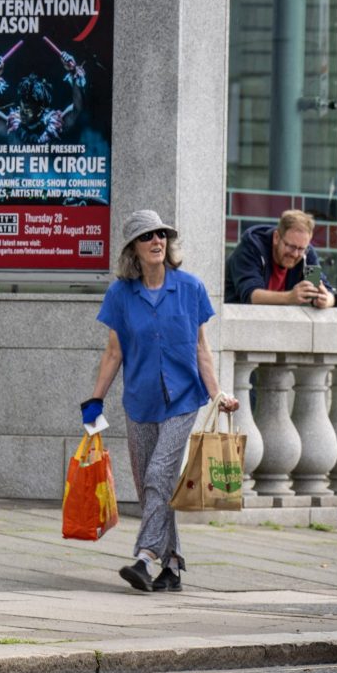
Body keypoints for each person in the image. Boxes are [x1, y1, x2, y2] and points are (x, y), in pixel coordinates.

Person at [80, 210, 239, 593]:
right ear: (133, 249)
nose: (157, 241)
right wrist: (96, 400)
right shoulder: (120, 294)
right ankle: (172, 567)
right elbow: (114, 352)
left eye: (162, 235)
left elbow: (201, 348)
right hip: (139, 401)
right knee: (151, 485)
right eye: (147, 236)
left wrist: (216, 393)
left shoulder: (190, 287)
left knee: (158, 476)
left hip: (183, 398)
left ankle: (145, 557)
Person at [224, 209, 336, 307]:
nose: (295, 254)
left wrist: (325, 300)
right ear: (276, 237)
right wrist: (290, 297)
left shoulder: (306, 254)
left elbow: (327, 291)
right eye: (291, 246)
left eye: (301, 249)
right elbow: (251, 295)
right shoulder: (251, 248)